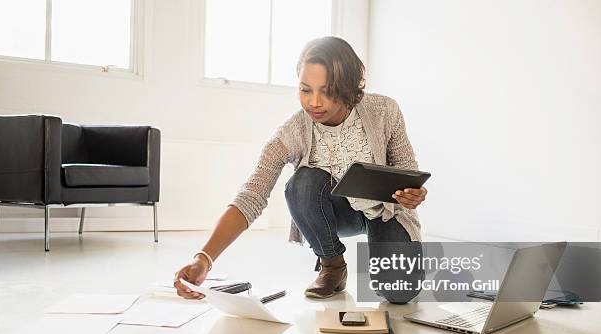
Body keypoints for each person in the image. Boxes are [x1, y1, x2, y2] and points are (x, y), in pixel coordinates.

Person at [174, 36, 427, 302]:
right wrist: (203, 259)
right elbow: (251, 196)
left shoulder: (385, 110)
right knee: (302, 184)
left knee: (399, 293)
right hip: (337, 213)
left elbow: (408, 171)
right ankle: (332, 266)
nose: (314, 102)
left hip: (385, 213)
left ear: (348, 87)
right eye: (306, 90)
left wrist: (413, 194)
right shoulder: (291, 131)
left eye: (327, 90)